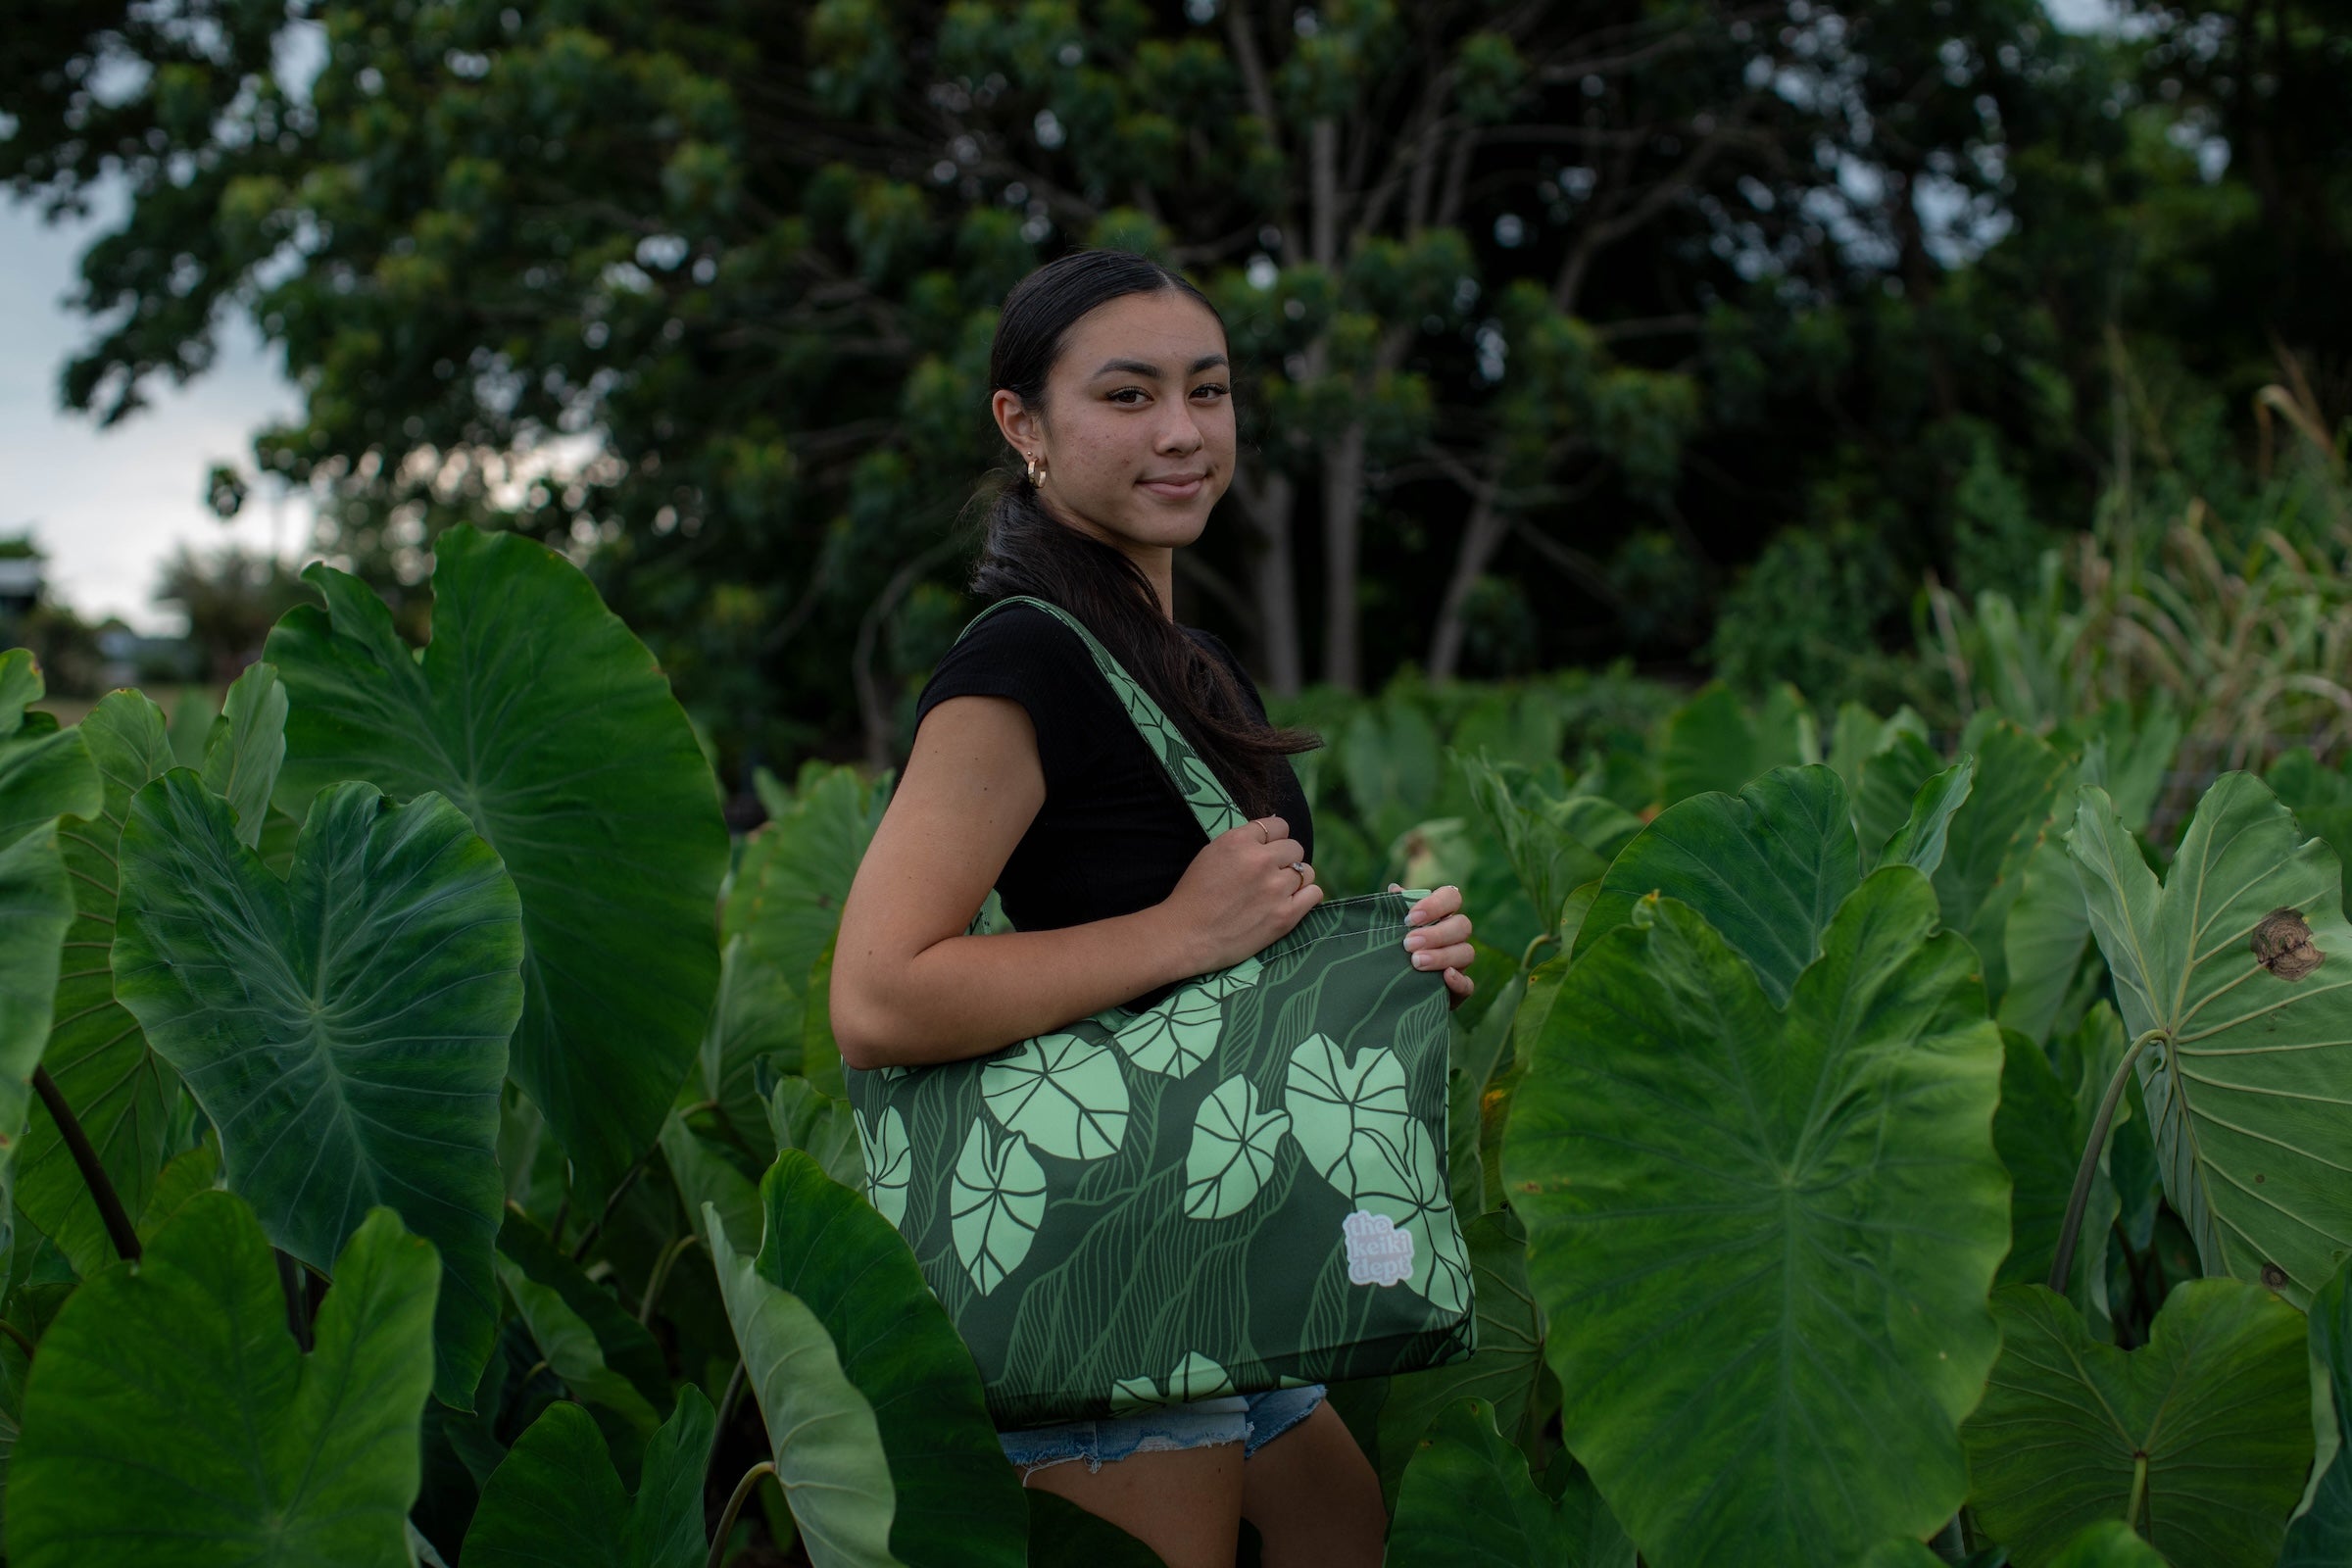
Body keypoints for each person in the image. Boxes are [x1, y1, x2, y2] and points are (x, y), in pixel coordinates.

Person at [829, 249, 1477, 1568]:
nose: (1182, 433)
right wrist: (1182, 930)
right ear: (1025, 426)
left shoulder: (1185, 665)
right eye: (1127, 398)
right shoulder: (1022, 661)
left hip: (1219, 1240)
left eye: (1210, 390)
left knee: (1341, 1531)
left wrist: (1390, 960)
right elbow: (878, 994)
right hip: (1109, 1259)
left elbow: (1229, 961)